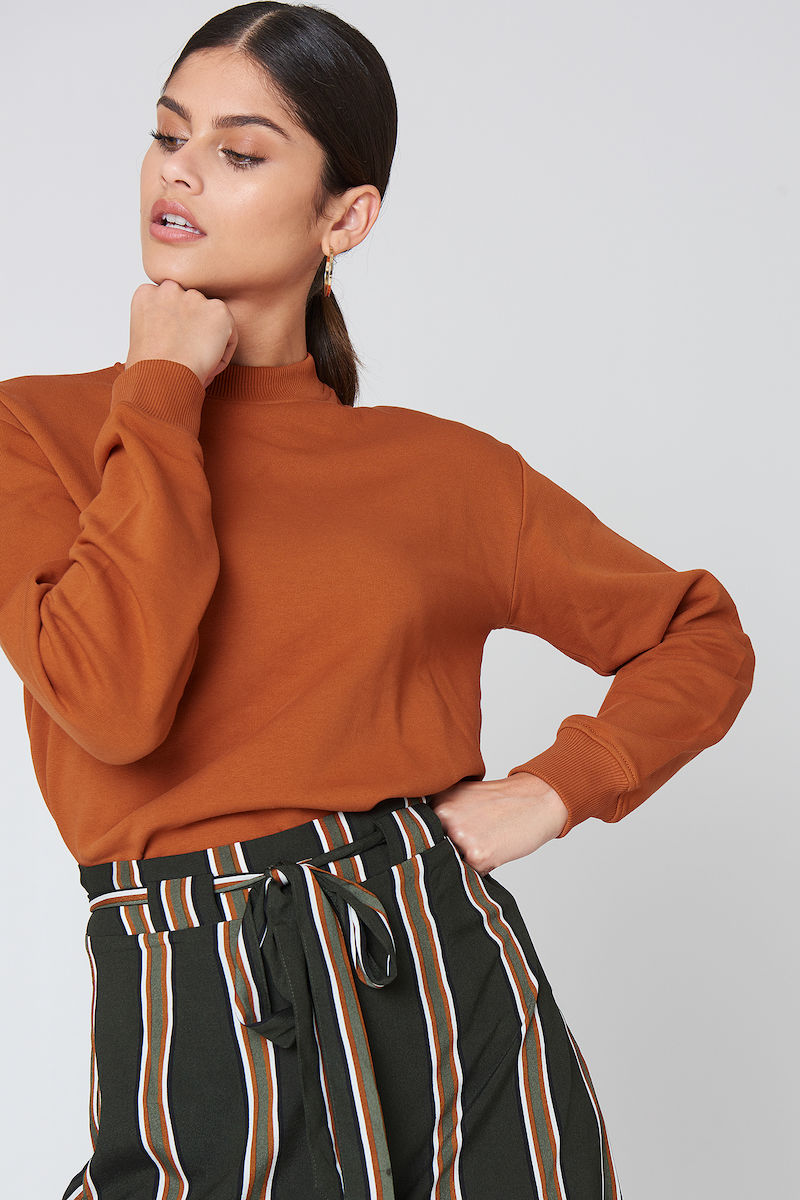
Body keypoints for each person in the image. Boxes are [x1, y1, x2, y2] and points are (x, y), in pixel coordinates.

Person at [0, 4, 755, 1199]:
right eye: (168, 135)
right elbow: (114, 702)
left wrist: (554, 789)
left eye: (239, 152)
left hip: (447, 989)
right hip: (199, 994)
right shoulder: (37, 431)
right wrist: (159, 390)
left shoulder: (446, 475)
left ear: (343, 218)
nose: (180, 171)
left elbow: (695, 635)